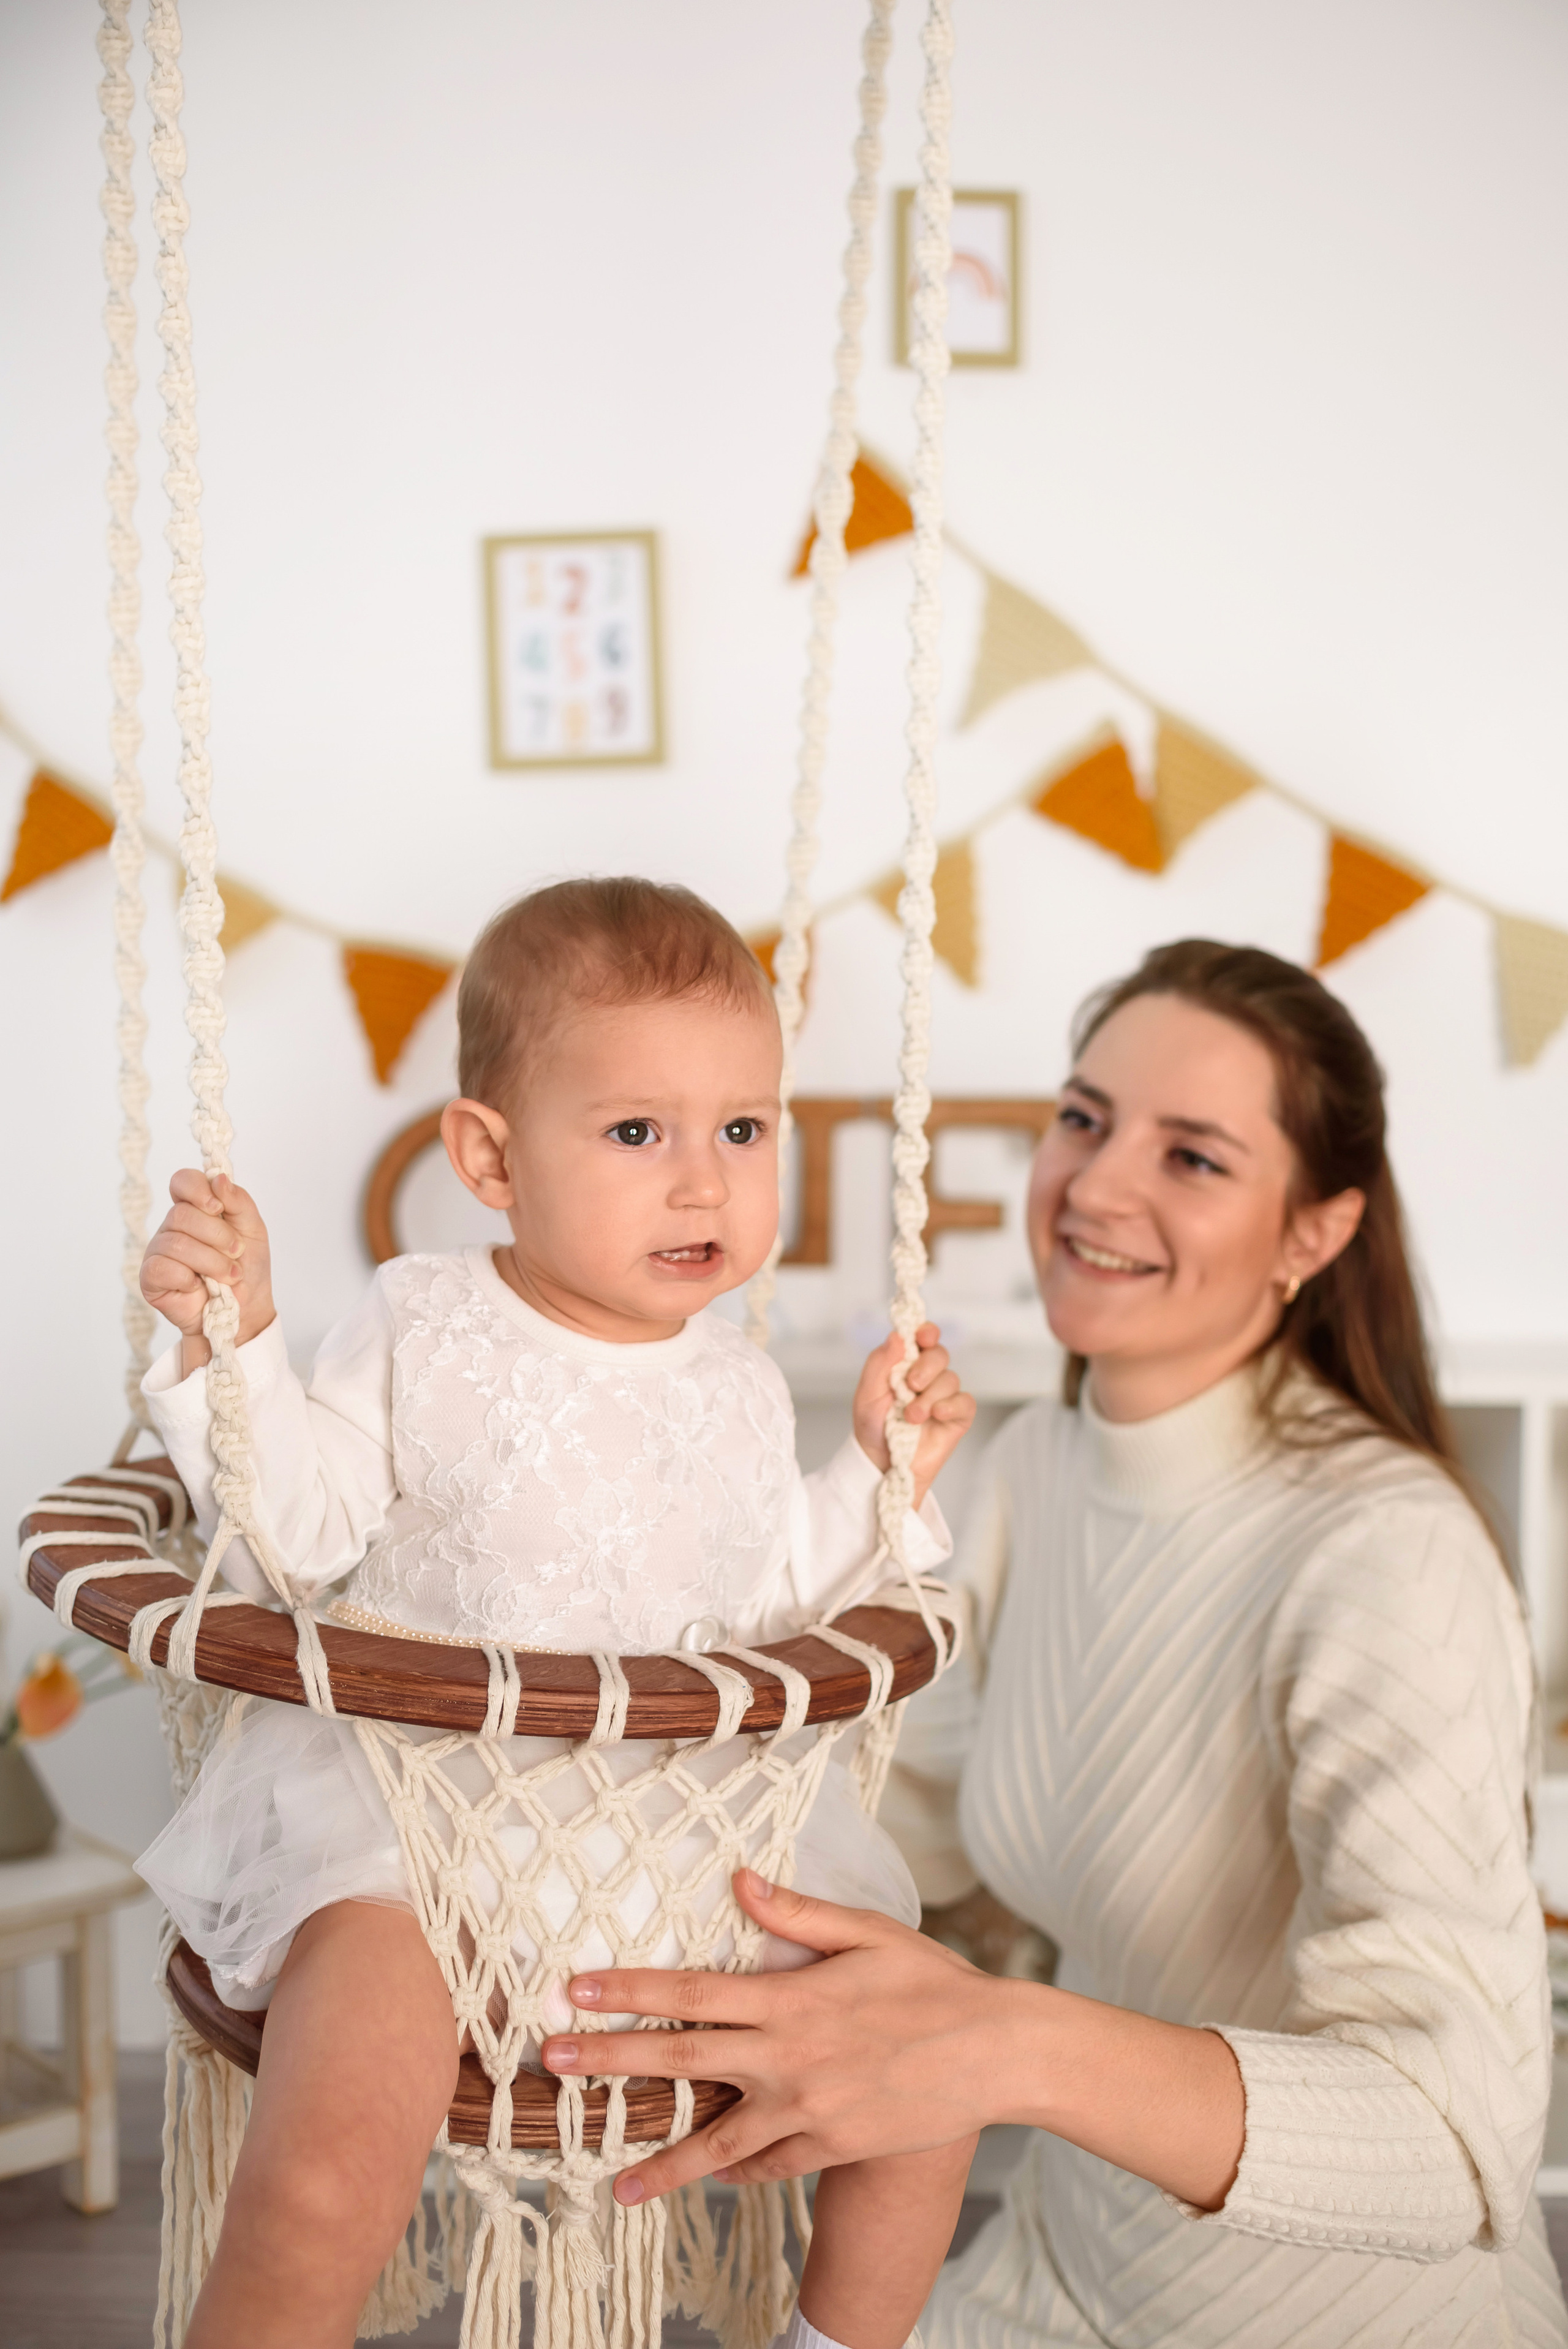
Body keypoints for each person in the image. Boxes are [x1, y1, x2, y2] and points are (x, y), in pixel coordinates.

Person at [540, 940, 1568, 2349]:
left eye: (1192, 1157)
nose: (1095, 1184)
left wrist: (1000, 2042)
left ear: (1311, 1232)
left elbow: (1456, 2145)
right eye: (1083, 1120)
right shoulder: (1025, 1474)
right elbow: (897, 1826)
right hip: (1061, 2279)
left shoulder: (1384, 1554)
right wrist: (553, 1844)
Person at [133, 877, 978, 2349]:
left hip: (673, 1841)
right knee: (331, 2169)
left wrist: (878, 1473)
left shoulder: (739, 1379)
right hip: (412, 1832)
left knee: (932, 2058)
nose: (703, 1182)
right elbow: (297, 1534)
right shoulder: (425, 1319)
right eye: (638, 1131)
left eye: (742, 1128)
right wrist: (235, 1342)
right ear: (491, 1156)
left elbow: (774, 1586)